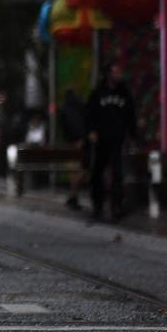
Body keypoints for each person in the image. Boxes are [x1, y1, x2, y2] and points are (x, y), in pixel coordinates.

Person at [86, 62, 139, 221]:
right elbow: (89, 113)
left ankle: (116, 206)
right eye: (115, 72)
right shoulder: (98, 92)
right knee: (98, 171)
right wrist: (91, 131)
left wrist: (132, 134)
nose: (118, 75)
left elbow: (131, 115)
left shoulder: (124, 93)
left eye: (119, 72)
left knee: (117, 172)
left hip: (118, 138)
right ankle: (98, 204)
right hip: (101, 138)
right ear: (108, 74)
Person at [60, 89, 90, 211]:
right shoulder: (80, 107)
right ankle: (73, 197)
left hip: (72, 143)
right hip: (80, 143)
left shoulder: (66, 109)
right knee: (79, 171)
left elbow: (67, 127)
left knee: (75, 171)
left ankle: (73, 196)